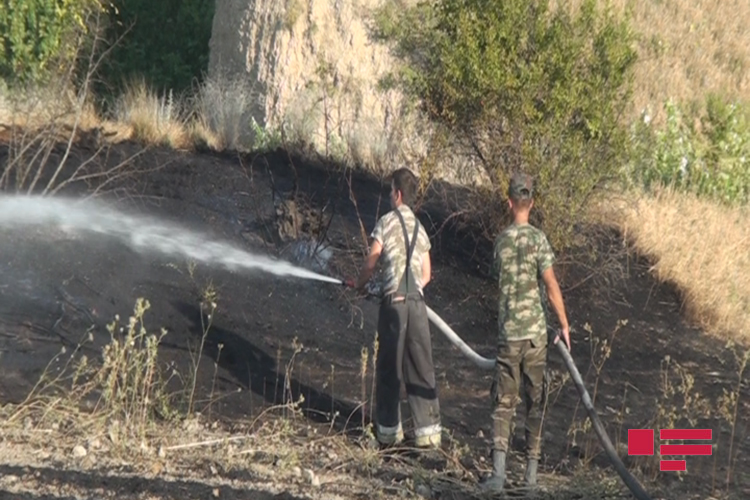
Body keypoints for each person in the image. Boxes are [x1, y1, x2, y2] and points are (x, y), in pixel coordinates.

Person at [482, 171, 571, 492]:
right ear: (531, 203)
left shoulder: (501, 242)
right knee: (536, 402)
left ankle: (498, 475)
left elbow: (497, 276)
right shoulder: (538, 240)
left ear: (510, 203)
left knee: (503, 403)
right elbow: (551, 286)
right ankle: (530, 479)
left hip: (509, 335)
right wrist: (563, 324)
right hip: (535, 337)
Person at [345, 167, 442, 448]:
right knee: (421, 368)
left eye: (390, 191)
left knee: (389, 368)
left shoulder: (386, 222)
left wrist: (361, 285)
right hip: (418, 306)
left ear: (397, 194)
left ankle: (388, 434)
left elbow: (371, 262)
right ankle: (429, 436)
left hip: (394, 306)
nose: (389, 196)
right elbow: (426, 275)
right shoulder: (420, 228)